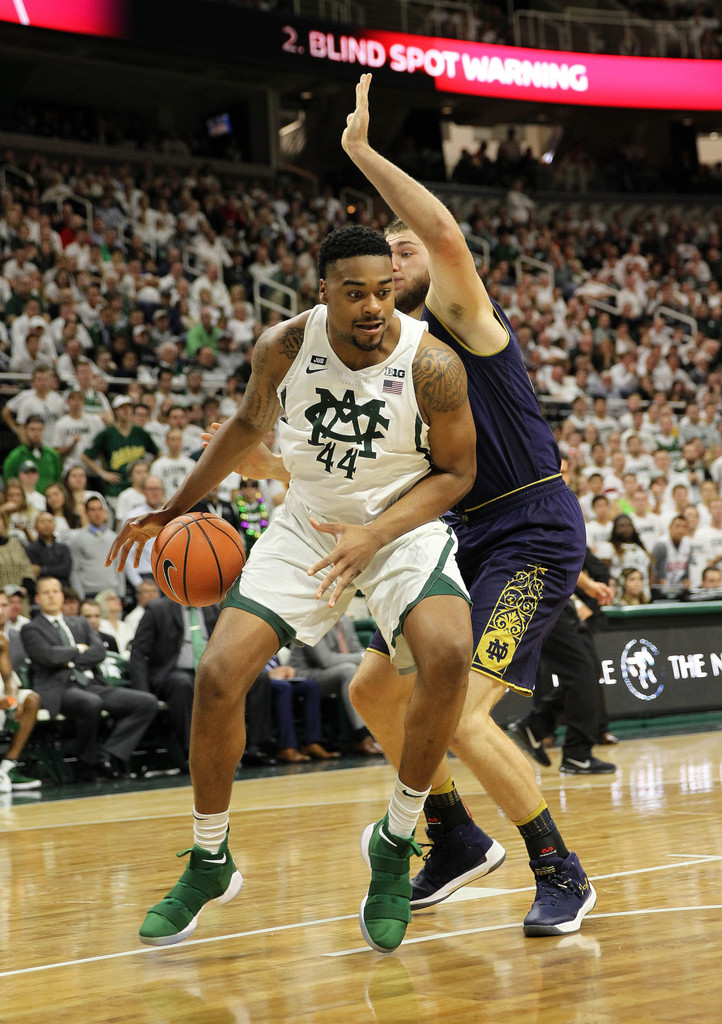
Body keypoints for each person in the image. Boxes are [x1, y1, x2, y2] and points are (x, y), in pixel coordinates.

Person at [107, 221, 476, 953]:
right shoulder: (283, 345)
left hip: (398, 530)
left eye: (383, 290)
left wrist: (373, 535)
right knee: (216, 676)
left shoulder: (433, 364)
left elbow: (458, 475)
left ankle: (397, 846)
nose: (373, 306)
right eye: (355, 293)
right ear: (322, 292)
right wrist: (175, 507)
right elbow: (247, 425)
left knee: (448, 653)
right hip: (309, 527)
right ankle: (210, 861)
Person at [340, 74, 595, 936]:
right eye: (387, 255)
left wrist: (363, 153)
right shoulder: (392, 367)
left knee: (461, 712)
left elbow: (443, 232)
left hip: (529, 529)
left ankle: (561, 866)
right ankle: (452, 837)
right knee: (374, 692)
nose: (397, 258)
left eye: (403, 247)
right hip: (459, 541)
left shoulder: (462, 314)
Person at [20, 576, 159, 781]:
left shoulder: (80, 623)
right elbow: (47, 656)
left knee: (147, 703)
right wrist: (77, 649)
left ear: (61, 596)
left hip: (92, 684)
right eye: (46, 592)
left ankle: (108, 755)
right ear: (38, 599)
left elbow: (98, 652)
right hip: (59, 688)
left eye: (55, 591)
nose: (51, 596)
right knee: (90, 703)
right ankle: (86, 762)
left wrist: (70, 661)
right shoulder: (31, 628)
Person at [289, 613, 383, 756]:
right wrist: (363, 657)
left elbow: (355, 648)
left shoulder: (344, 620)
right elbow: (325, 660)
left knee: (368, 671)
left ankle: (380, 733)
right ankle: (362, 737)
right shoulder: (312, 622)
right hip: (306, 675)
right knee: (349, 670)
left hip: (334, 672)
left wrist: (367, 657)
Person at [0, 591, 42, 793]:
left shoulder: (2, 640)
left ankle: (7, 766)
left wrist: (12, 699)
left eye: (3, 605)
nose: (0, 611)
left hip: (2, 695)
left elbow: (8, 679)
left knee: (31, 699)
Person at [266, 653, 339, 763]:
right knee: (284, 688)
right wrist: (269, 674)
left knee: (311, 686)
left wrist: (286, 670)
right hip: (259, 681)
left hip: (278, 680)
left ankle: (312, 742)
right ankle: (287, 747)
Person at [24, 510, 73, 587]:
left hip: (63, 589)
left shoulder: (63, 548)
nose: (46, 525)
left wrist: (41, 570)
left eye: (49, 521)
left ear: (55, 525)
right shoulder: (30, 549)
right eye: (42, 521)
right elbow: (33, 571)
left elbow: (65, 570)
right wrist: (55, 570)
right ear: (35, 527)